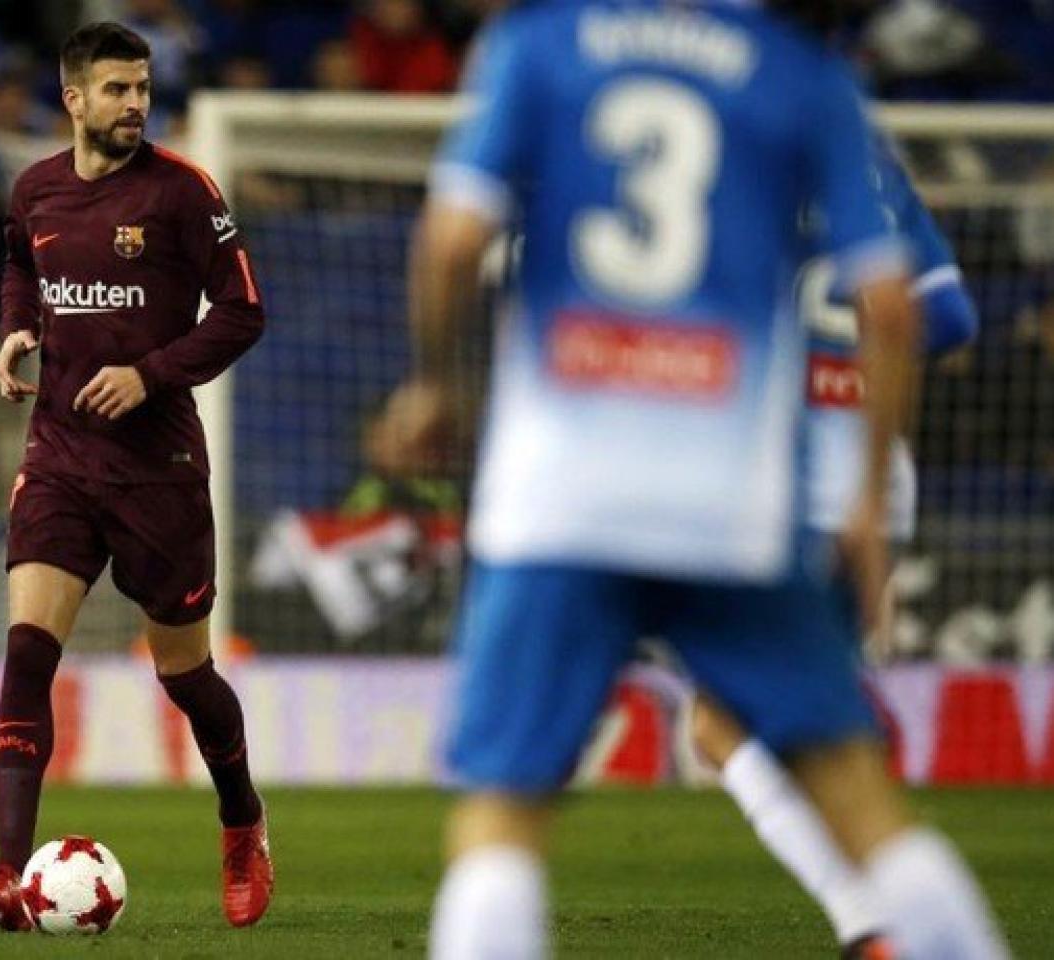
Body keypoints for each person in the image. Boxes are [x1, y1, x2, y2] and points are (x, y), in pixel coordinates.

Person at [389, 2, 1007, 958]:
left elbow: (454, 238)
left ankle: (868, 927)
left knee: (504, 817)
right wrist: (872, 496)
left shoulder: (540, 47)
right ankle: (892, 927)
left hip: (563, 492)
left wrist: (433, 384)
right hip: (736, 497)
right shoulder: (801, 78)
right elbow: (904, 309)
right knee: (850, 786)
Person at [0, 22, 271, 932]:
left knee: (185, 671)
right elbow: (22, 267)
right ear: (75, 99)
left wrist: (150, 374)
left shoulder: (182, 193)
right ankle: (10, 871)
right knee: (27, 652)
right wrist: (18, 328)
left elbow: (245, 314)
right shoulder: (35, 191)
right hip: (59, 455)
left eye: (143, 87)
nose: (136, 102)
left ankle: (242, 818)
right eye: (118, 89)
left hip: (159, 467)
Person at [689, 127, 982, 956]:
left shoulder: (738, 149)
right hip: (876, 481)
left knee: (722, 729)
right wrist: (854, 363)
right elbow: (951, 319)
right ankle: (886, 922)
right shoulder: (865, 159)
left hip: (769, 476)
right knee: (777, 733)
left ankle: (875, 926)